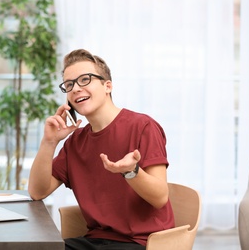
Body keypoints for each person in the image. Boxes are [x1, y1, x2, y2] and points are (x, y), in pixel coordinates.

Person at [28, 49, 175, 249]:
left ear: (107, 86)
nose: (76, 88)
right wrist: (49, 142)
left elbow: (160, 198)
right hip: (93, 241)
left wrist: (130, 172)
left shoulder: (143, 126)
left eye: (85, 80)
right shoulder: (75, 142)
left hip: (142, 243)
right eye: (69, 85)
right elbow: (37, 192)